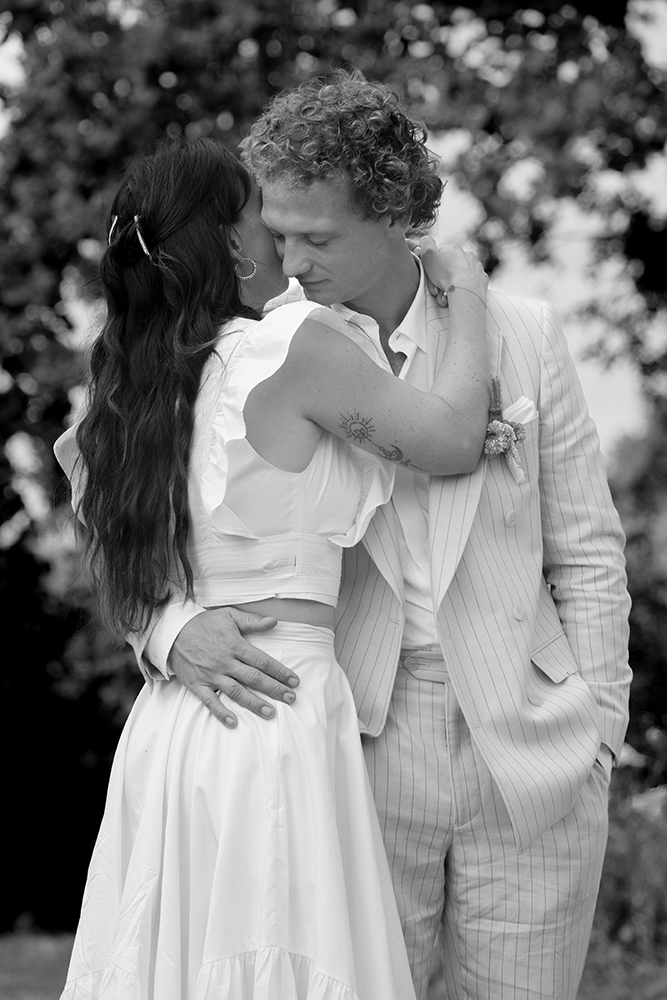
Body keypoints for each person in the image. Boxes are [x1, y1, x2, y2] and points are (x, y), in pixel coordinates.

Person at [140, 72, 633, 1000]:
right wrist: (166, 628)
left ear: (398, 214)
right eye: (278, 232)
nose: (289, 263)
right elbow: (121, 498)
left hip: (532, 750)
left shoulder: (522, 335)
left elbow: (587, 551)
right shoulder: (260, 350)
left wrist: (598, 735)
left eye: (318, 238)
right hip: (350, 745)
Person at [54, 135, 491, 999]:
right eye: (267, 219)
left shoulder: (124, 392)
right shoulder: (292, 346)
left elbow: (102, 529)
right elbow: (450, 440)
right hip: (272, 705)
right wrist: (468, 297)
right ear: (231, 240)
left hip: (172, 727)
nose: (285, 244)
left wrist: (166, 629)